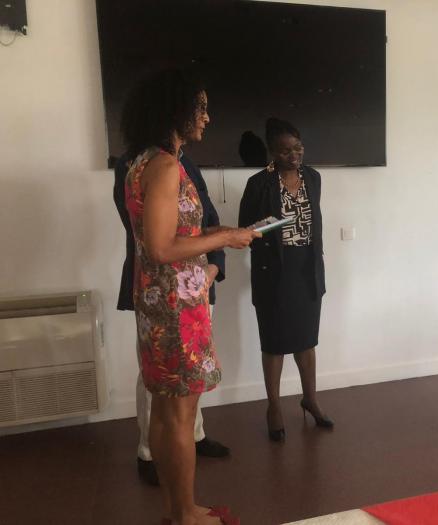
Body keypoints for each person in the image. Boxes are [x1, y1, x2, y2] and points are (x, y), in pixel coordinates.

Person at [121, 68, 259, 525]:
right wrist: (226, 240)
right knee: (179, 416)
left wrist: (220, 232)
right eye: (198, 107)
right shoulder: (164, 166)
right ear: (173, 110)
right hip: (176, 308)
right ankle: (186, 515)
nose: (206, 117)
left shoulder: (142, 162)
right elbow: (162, 247)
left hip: (159, 302)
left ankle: (178, 509)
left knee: (166, 413)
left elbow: (169, 234)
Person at [114, 149, 231, 487]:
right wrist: (224, 238)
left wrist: (215, 265)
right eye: (199, 116)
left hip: (196, 284)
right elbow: (154, 239)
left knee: (190, 379)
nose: (205, 123)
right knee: (161, 379)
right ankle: (150, 453)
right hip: (165, 293)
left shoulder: (184, 160)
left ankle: (194, 437)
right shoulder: (144, 165)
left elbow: (205, 216)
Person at [238, 118, 333, 442]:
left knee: (307, 340)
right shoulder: (258, 184)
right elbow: (246, 231)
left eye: (298, 148)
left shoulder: (314, 178)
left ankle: (310, 399)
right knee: (274, 341)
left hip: (307, 269)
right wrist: (275, 224)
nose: (294, 155)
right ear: (272, 152)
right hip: (274, 271)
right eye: (285, 151)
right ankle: (274, 407)